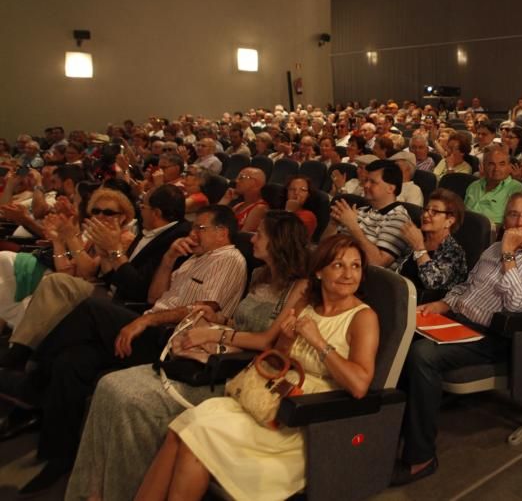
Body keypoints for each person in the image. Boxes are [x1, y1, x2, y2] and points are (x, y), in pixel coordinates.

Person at [64, 211, 311, 501]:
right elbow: (239, 322)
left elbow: (267, 338)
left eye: (260, 235)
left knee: (130, 399)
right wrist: (215, 317)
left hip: (237, 370)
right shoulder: (259, 275)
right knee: (109, 386)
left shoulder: (300, 286)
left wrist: (213, 334)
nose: (252, 238)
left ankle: (123, 491)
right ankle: (94, 491)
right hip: (217, 353)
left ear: (279, 242)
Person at [1, 205, 246, 494]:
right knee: (72, 362)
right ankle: (59, 456)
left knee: (91, 308)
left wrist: (145, 320)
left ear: (222, 233)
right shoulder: (191, 259)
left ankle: (27, 368)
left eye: (200, 229)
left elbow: (203, 310)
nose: (192, 234)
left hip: (174, 341)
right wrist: (168, 259)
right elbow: (155, 296)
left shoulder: (229, 259)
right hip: (150, 324)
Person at [134, 234, 378, 501]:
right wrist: (287, 340)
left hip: (305, 417)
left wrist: (319, 342)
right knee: (180, 429)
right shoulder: (306, 304)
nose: (348, 274)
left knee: (198, 438)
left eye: (356, 266)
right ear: (319, 271)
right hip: (271, 397)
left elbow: (359, 385)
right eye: (339, 265)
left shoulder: (363, 317)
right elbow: (279, 358)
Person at [392, 193, 522, 485]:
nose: (519, 222)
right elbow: (468, 286)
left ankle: (421, 456)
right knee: (400, 335)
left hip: (496, 336)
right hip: (458, 320)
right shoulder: (493, 248)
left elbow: (520, 306)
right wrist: (441, 305)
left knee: (423, 356)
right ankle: (390, 433)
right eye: (512, 215)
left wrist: (509, 255)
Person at [0, 185, 190, 371]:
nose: (100, 216)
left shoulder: (163, 238)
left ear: (154, 213)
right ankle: (21, 353)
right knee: (44, 283)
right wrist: (68, 242)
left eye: (107, 212)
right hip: (99, 288)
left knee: (50, 281)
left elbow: (132, 287)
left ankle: (22, 355)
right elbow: (105, 276)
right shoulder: (140, 234)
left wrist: (103, 248)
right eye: (96, 211)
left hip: (124, 303)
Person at [328, 159, 411, 268]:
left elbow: (379, 263)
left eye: (373, 182)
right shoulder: (360, 210)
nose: (366, 185)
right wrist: (333, 224)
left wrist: (353, 227)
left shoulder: (399, 218)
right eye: (366, 180)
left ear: (391, 188)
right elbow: (325, 248)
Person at [393, 189, 468, 303]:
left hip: (423, 308)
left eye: (435, 212)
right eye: (426, 210)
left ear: (449, 221)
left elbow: (432, 283)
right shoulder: (419, 238)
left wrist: (419, 247)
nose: (426, 215)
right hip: (398, 296)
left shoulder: (454, 252)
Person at [463, 145, 522, 226]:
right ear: (484, 166)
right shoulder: (473, 186)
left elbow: (518, 225)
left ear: (509, 167)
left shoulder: (517, 191)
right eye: (491, 164)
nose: (496, 169)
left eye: (502, 164)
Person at [220, 167, 267, 232]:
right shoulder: (239, 205)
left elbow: (242, 237)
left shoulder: (260, 208)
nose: (236, 181)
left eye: (241, 177)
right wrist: (225, 199)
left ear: (254, 183)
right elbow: (214, 221)